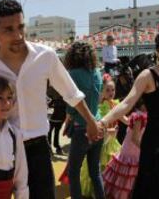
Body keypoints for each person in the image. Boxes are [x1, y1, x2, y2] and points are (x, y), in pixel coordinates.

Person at [0, 0, 102, 199]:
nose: (18, 35)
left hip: (37, 149)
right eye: (8, 29)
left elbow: (70, 92)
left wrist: (91, 122)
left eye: (21, 26)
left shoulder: (45, 56)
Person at [100, 18, 159, 199]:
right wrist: (104, 121)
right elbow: (127, 103)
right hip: (155, 145)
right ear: (157, 51)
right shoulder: (148, 75)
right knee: (153, 190)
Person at [62, 41, 104, 199]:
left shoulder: (72, 74)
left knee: (73, 172)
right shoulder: (97, 72)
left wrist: (68, 117)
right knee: (95, 171)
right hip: (99, 125)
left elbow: (72, 104)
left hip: (82, 129)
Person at [80, 77, 126, 198]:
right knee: (100, 168)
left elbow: (124, 119)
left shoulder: (116, 104)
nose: (111, 93)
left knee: (112, 169)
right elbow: (97, 126)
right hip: (102, 143)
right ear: (101, 91)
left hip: (112, 143)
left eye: (113, 90)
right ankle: (98, 191)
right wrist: (109, 130)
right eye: (108, 90)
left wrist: (139, 119)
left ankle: (107, 191)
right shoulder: (99, 107)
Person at [102, 100, 147, 199]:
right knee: (125, 178)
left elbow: (127, 121)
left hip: (131, 152)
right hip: (131, 152)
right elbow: (135, 138)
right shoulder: (140, 116)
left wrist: (118, 112)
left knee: (126, 178)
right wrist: (146, 149)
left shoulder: (140, 115)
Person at [47, 85, 66, 155]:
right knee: (49, 131)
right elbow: (48, 100)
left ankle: (56, 145)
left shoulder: (63, 88)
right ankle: (49, 146)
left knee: (57, 131)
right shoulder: (50, 88)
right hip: (52, 113)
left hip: (60, 112)